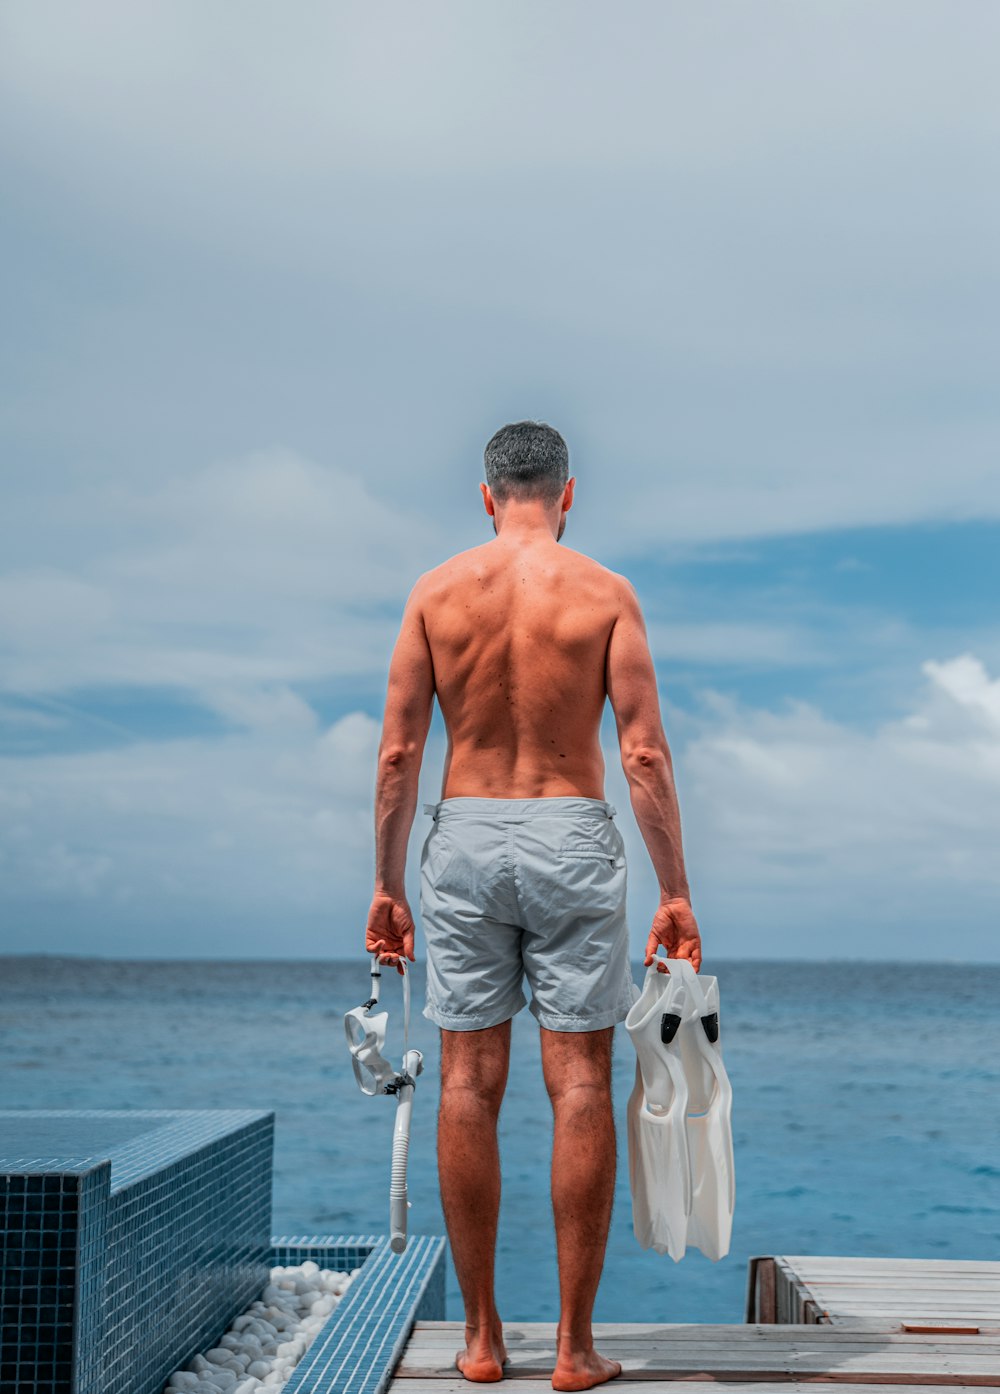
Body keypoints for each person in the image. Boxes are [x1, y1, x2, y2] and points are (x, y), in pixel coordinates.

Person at [364, 421, 701, 1391]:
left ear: (485, 494)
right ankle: (572, 1347)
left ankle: (477, 1339)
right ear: (566, 492)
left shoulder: (435, 592)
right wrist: (673, 887)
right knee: (580, 1084)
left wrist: (387, 883)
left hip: (463, 834)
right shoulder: (603, 593)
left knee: (468, 1081)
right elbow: (641, 752)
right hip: (569, 831)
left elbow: (396, 753)